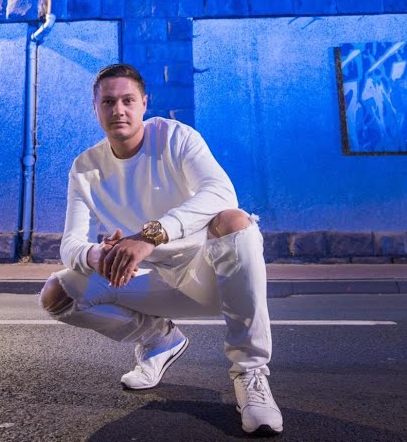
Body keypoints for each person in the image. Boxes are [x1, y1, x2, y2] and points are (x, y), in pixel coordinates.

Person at [38, 63, 284, 436]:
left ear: (144, 103)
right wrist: (97, 256)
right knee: (58, 293)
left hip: (210, 278)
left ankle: (250, 375)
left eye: (127, 100)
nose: (118, 110)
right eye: (108, 102)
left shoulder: (175, 138)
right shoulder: (85, 168)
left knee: (236, 222)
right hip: (154, 282)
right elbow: (70, 244)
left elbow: (221, 193)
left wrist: (149, 235)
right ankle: (158, 338)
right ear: (95, 108)